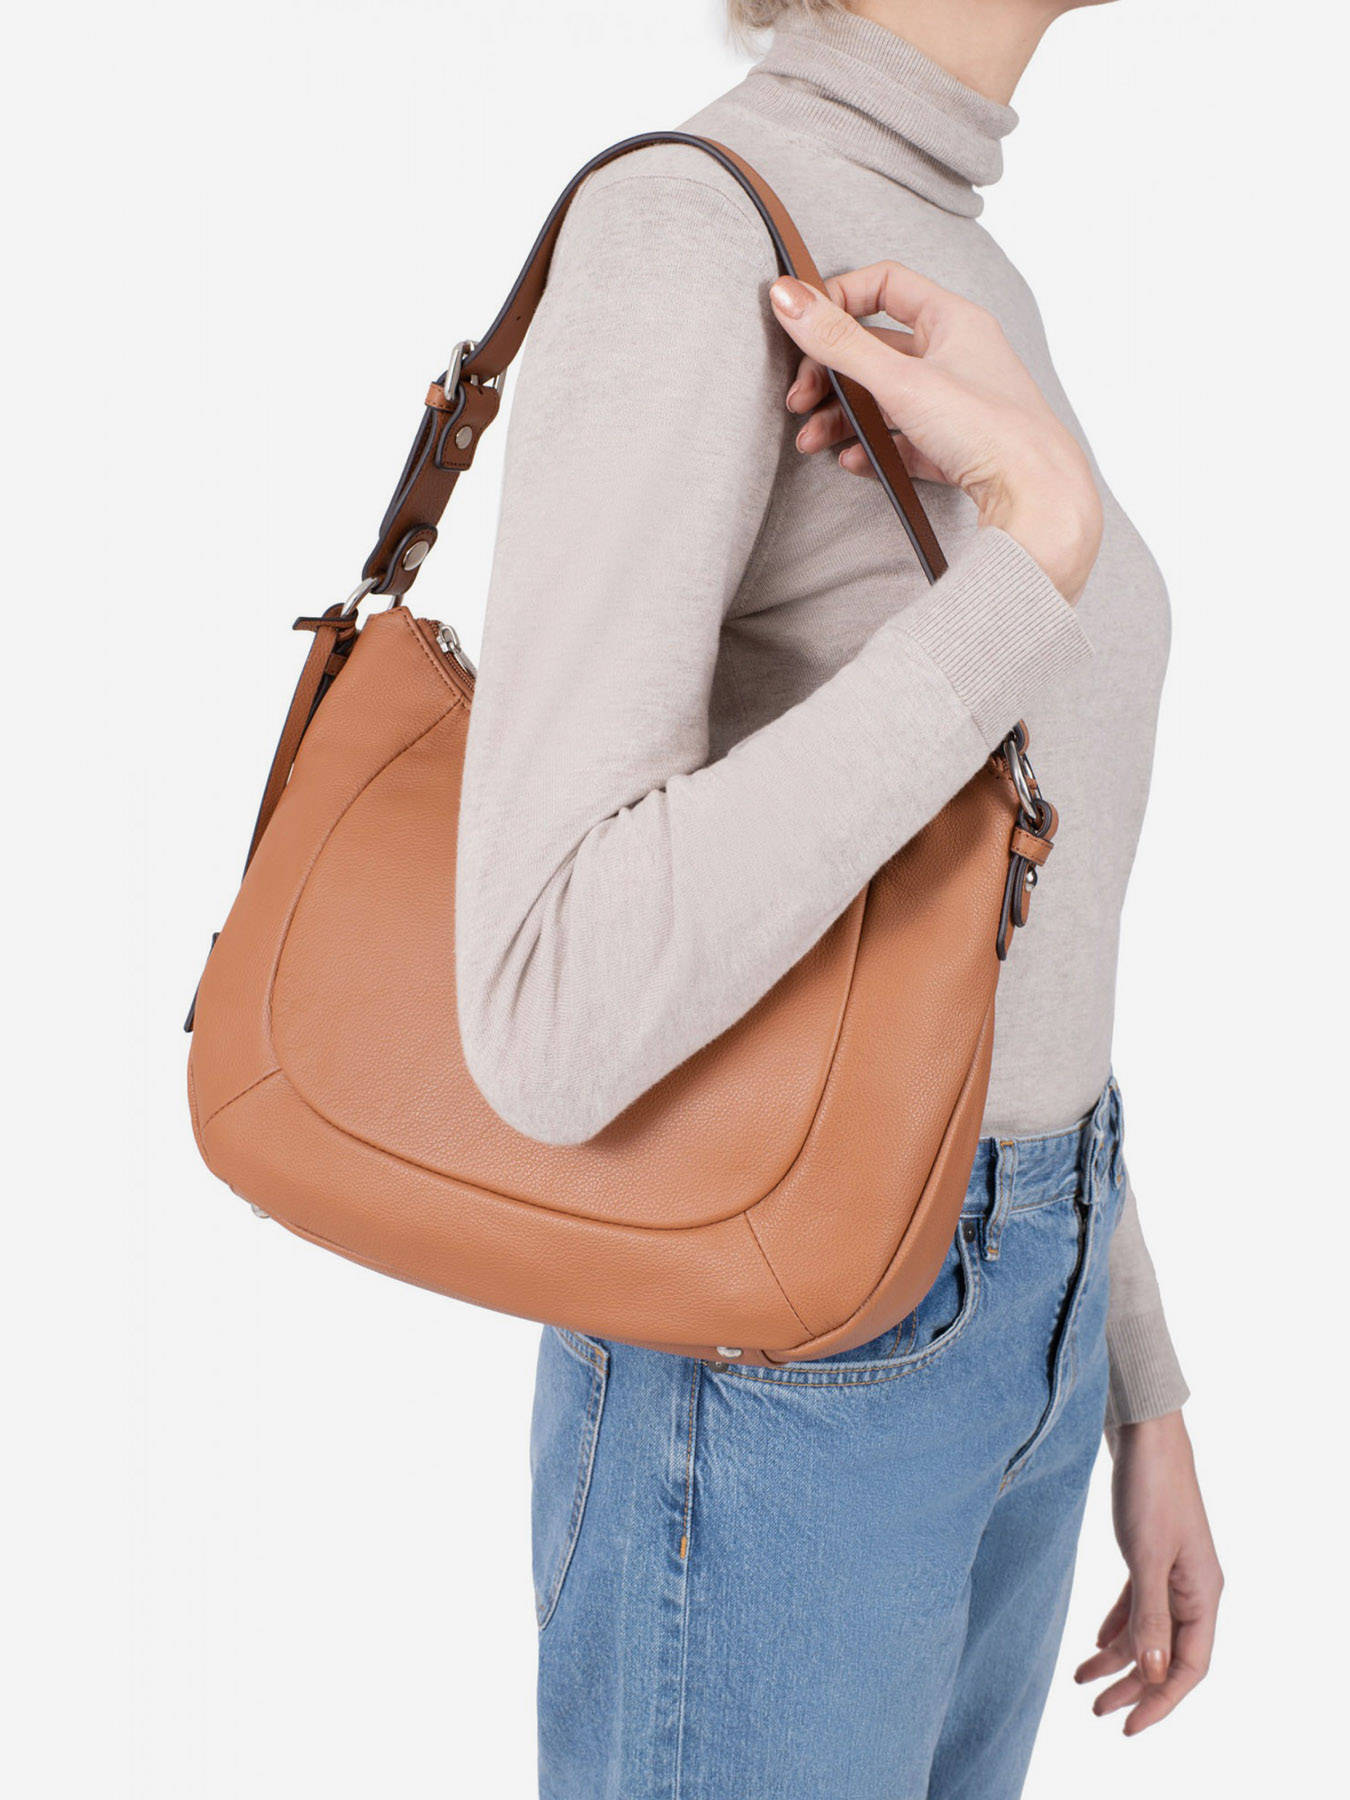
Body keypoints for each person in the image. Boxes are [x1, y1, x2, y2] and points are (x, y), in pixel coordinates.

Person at [454, 2, 1223, 1793]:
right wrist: (1029, 550)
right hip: (782, 1354)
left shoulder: (948, 251)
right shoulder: (689, 226)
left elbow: (1007, 901)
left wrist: (1129, 1372)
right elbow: (546, 1012)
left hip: (1016, 1327)